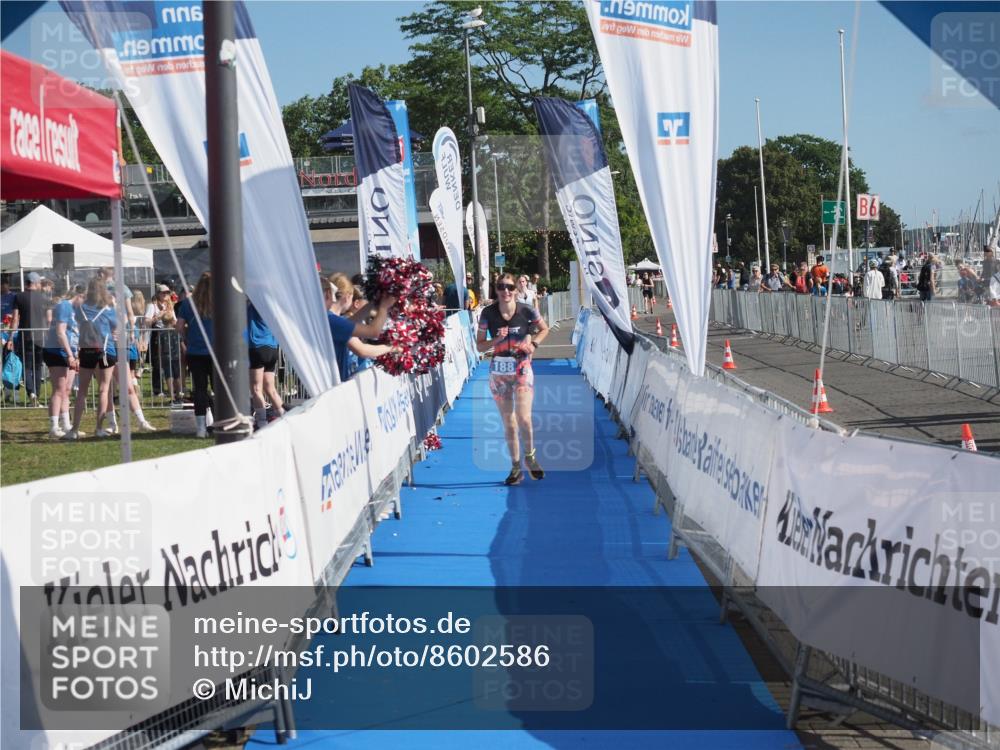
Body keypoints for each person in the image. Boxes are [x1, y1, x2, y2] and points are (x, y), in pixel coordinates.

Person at [476, 273, 550, 485]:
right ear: (496, 289)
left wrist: (533, 344)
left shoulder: (526, 309)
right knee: (509, 423)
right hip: (499, 371)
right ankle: (516, 467)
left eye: (509, 287)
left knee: (523, 418)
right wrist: (496, 339)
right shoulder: (488, 313)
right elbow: (479, 345)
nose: (506, 291)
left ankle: (530, 456)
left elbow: (544, 329)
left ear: (516, 289)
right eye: (501, 287)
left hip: (521, 367)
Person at [65, 277, 119, 439]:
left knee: (82, 390)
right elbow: (116, 326)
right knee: (104, 389)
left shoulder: (80, 308)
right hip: (105, 350)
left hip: (86, 350)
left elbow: (77, 323)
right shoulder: (108, 309)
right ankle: (99, 428)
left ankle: (74, 429)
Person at [322, 274, 397, 382]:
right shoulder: (331, 319)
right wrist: (384, 307)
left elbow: (349, 323)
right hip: (331, 384)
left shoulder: (332, 319)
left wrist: (373, 302)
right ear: (347, 296)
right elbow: (373, 332)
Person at [176, 273, 215, 438]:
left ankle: (201, 428)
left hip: (195, 351)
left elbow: (178, 326)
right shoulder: (220, 302)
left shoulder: (187, 303)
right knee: (217, 389)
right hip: (216, 352)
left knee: (199, 389)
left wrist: (187, 336)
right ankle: (220, 423)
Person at [42, 285, 83, 438]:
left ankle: (66, 425)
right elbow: (60, 333)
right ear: (78, 295)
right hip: (56, 351)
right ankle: (54, 426)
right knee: (58, 389)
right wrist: (70, 355)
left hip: (70, 352)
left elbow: (76, 333)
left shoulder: (77, 310)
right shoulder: (64, 306)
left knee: (67, 389)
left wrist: (76, 354)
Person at [6, 271, 48, 405]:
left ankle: (32, 393)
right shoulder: (44, 297)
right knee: (37, 367)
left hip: (26, 335)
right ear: (36, 283)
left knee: (27, 366)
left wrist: (11, 338)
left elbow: (15, 319)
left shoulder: (19, 297)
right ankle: (35, 393)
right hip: (40, 336)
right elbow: (49, 319)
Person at [247, 301, 284, 430]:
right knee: (270, 388)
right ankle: (283, 417)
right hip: (271, 347)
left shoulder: (254, 304)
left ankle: (262, 422)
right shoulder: (272, 305)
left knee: (257, 389)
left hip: (257, 346)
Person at [145, 284, 173, 397]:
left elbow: (174, 319)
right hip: (157, 333)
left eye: (167, 292)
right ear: (158, 293)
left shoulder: (170, 305)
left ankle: (171, 388)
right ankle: (157, 389)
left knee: (169, 362)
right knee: (157, 363)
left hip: (169, 333)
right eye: (163, 292)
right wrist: (159, 316)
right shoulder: (152, 306)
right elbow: (147, 322)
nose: (166, 294)